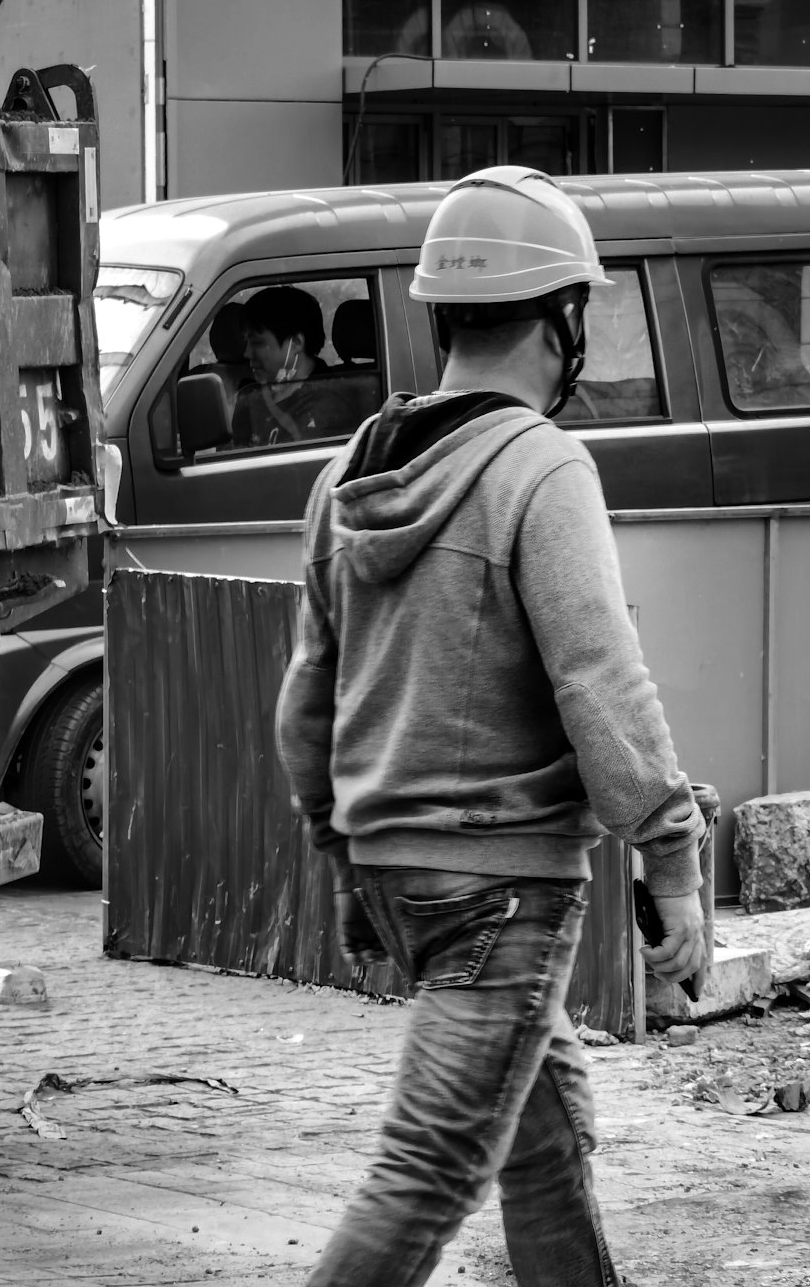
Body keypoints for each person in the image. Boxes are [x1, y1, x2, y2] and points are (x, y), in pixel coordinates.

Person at [274, 165, 707, 1287]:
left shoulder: (350, 470)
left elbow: (306, 699)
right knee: (426, 1175)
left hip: (397, 872)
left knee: (547, 1146)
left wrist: (339, 858)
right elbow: (601, 680)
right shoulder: (538, 465)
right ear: (561, 319)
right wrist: (673, 860)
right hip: (499, 887)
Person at [231, 286, 358, 448]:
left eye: (257, 343)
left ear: (296, 343)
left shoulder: (328, 407)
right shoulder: (251, 397)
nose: (247, 353)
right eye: (246, 343)